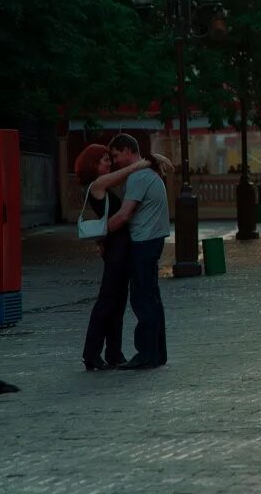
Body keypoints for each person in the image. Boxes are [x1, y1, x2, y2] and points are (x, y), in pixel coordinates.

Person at [73, 144, 169, 371]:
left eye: (110, 158)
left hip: (121, 249)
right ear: (92, 165)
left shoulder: (105, 186)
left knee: (117, 305)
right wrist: (143, 162)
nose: (110, 163)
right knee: (107, 302)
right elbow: (124, 175)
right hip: (116, 251)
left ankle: (114, 353)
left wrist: (150, 159)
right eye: (104, 160)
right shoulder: (96, 185)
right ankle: (91, 353)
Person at [106, 133, 171, 370]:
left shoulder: (139, 177)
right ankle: (157, 352)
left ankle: (146, 353)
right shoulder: (148, 173)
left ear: (126, 150)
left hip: (144, 242)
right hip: (153, 240)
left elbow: (124, 215)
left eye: (115, 156)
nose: (114, 162)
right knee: (151, 297)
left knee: (143, 299)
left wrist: (101, 229)